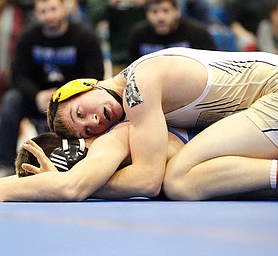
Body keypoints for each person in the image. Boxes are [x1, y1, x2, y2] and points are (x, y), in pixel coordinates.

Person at [47, 47, 278, 200]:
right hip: (266, 107)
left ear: (84, 85)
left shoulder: (136, 88)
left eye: (80, 112)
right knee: (203, 177)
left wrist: (81, 184)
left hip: (273, 93)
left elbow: (147, 180)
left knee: (178, 180)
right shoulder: (139, 102)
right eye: (87, 130)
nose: (94, 121)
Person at [0, 0, 104, 179]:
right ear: (35, 13)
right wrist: (36, 95)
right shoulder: (28, 37)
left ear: (64, 9)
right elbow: (18, 75)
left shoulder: (84, 37)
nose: (49, 16)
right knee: (11, 99)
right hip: (37, 98)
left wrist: (65, 95)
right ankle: (3, 165)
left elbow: (95, 77)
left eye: (53, 9)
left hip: (74, 101)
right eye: (43, 11)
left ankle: (85, 163)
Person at [0, 120, 194, 201]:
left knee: (177, 185)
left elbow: (68, 186)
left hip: (215, 154)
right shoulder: (107, 152)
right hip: (207, 160)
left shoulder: (113, 140)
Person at [128, 0, 216, 61]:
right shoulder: (138, 35)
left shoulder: (199, 34)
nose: (160, 18)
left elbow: (213, 67)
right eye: (154, 12)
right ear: (147, 14)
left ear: (177, 12)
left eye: (166, 11)